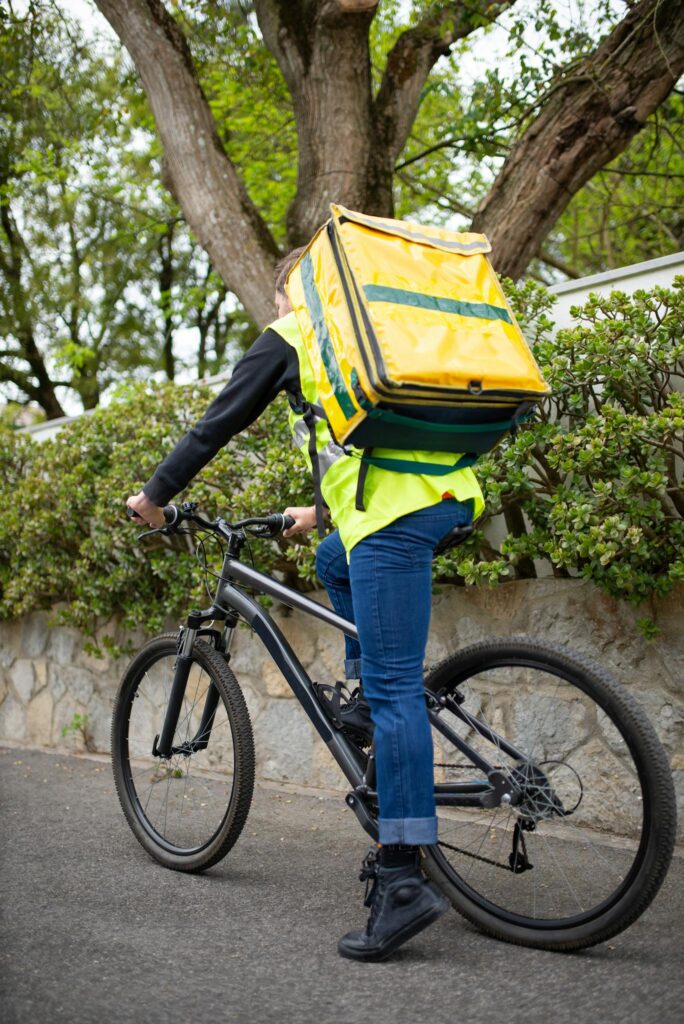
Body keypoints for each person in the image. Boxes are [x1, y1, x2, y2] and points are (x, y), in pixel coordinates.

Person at [127, 246, 484, 961]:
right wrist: (319, 513)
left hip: (393, 523)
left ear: (294, 288)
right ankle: (364, 698)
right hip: (443, 501)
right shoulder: (371, 332)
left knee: (394, 696)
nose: (282, 305)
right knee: (330, 561)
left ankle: (401, 877)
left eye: (283, 291)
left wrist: (155, 497)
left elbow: (215, 424)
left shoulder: (292, 335)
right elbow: (373, 439)